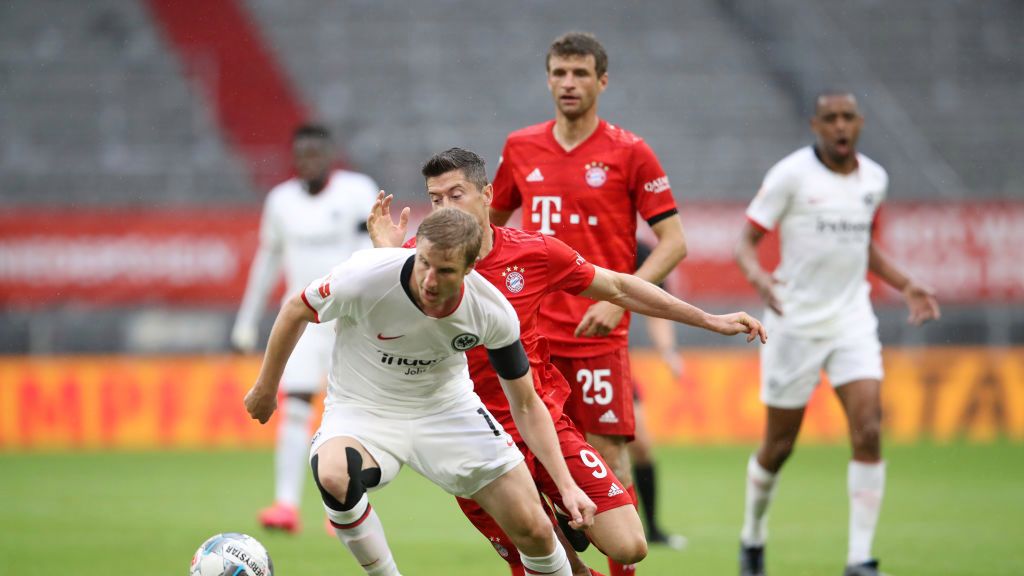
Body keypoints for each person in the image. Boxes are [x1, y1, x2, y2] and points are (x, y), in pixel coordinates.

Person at [369, 148, 764, 576]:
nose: (445, 208)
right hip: (471, 445)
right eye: (436, 198)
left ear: (487, 194)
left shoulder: (533, 253)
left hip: (542, 422)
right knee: (557, 569)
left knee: (630, 545)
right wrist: (384, 261)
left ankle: (559, 514)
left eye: (456, 194)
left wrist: (709, 319)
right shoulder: (413, 264)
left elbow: (617, 286)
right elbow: (375, 331)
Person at [245, 207, 597, 576]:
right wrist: (266, 388)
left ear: (469, 269)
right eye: (423, 263)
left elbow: (526, 405)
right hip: (364, 408)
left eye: (444, 271)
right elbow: (295, 309)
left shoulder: (491, 310)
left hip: (447, 409)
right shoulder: (364, 276)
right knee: (335, 473)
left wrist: (567, 487)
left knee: (536, 531)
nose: (429, 279)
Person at [489, 32, 688, 575]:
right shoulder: (520, 147)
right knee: (522, 464)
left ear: (602, 81)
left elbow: (674, 244)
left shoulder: (630, 152)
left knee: (611, 458)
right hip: (530, 337)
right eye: (559, 73)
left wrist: (622, 302)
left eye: (580, 74)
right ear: (548, 78)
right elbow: (489, 234)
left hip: (598, 336)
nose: (568, 83)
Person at [734, 92, 941, 576]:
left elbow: (861, 243)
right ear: (816, 125)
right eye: (831, 119)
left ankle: (860, 559)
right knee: (779, 446)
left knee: (869, 429)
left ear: (860, 123)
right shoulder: (791, 175)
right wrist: (759, 279)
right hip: (794, 322)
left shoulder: (874, 179)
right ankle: (753, 537)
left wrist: (907, 283)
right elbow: (745, 241)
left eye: (848, 118)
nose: (840, 126)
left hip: (852, 320)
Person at [231, 123, 380, 533]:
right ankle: (285, 505)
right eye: (302, 155)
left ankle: (346, 504)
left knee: (351, 411)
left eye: (316, 153)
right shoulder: (281, 202)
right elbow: (268, 259)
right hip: (302, 320)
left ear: (330, 155)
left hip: (348, 320)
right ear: (295, 158)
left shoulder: (357, 192)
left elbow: (376, 249)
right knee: (294, 404)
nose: (309, 161)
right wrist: (246, 319)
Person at [628, 241, 686, 551]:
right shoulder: (564, 237)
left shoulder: (641, 251)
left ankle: (652, 529)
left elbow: (658, 305)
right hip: (559, 355)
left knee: (641, 445)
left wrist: (667, 352)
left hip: (611, 358)